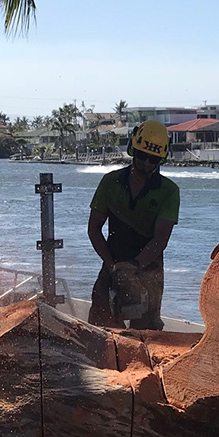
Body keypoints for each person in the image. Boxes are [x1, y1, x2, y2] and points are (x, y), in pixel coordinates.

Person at [87, 120, 179, 330]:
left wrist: (136, 267)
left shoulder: (169, 191)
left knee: (147, 328)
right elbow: (94, 229)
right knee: (100, 322)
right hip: (113, 260)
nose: (147, 163)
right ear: (133, 150)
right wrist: (112, 266)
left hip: (149, 268)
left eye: (153, 159)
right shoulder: (110, 182)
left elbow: (160, 239)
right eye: (142, 156)